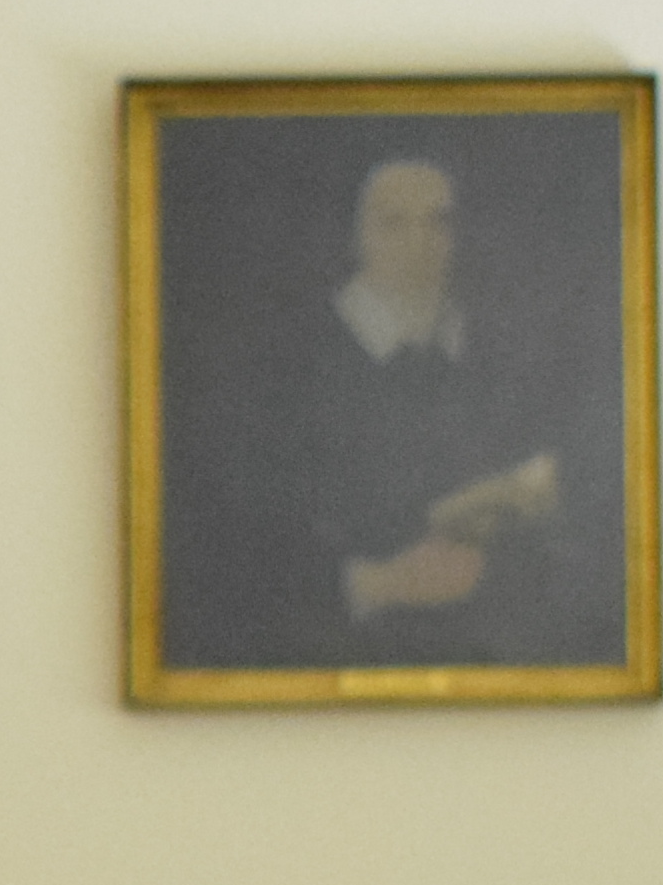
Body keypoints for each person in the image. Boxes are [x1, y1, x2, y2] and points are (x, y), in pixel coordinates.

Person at [177, 156, 618, 677]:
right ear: (355, 237)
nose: (420, 242)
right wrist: (378, 582)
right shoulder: (284, 364)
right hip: (326, 659)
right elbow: (232, 555)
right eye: (394, 223)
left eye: (439, 221)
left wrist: (532, 506)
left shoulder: (498, 357)